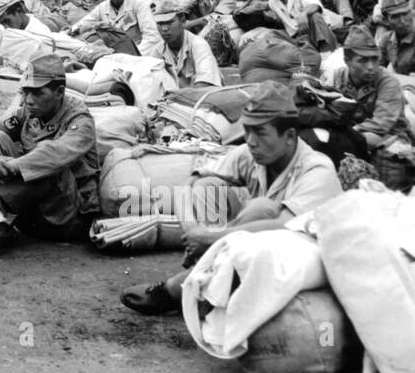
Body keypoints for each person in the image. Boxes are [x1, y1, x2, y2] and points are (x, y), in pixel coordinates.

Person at [120, 82, 342, 315]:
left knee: (261, 210)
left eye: (261, 132)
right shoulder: (253, 153)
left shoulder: (317, 169)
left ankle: (184, 287)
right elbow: (191, 182)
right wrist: (194, 231)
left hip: (309, 264)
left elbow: (282, 225)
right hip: (257, 256)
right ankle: (204, 277)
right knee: (207, 186)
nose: (251, 140)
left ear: (289, 136)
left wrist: (211, 238)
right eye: (247, 130)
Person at [0, 54, 98, 254]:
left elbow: (54, 155)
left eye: (38, 93)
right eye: (26, 92)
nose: (29, 101)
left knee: (46, 158)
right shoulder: (29, 112)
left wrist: (8, 167)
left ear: (60, 91)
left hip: (66, 216)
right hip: (35, 208)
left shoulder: (80, 120)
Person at [325, 26, 410, 149]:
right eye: (363, 60)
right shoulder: (337, 77)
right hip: (353, 135)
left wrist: (347, 133)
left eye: (375, 59)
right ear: (347, 61)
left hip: (390, 139)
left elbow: (382, 124)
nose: (371, 66)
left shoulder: (387, 82)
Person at [70, 0, 162, 56]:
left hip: (140, 52)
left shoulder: (138, 3)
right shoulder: (102, 8)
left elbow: (152, 37)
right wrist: (69, 32)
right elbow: (83, 24)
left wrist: (134, 55)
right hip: (116, 55)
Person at [147, 4, 222, 87]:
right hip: (178, 97)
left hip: (203, 97)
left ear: (182, 20)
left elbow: (204, 84)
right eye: (160, 24)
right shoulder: (158, 50)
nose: (164, 29)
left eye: (169, 22)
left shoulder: (198, 45)